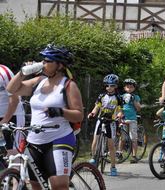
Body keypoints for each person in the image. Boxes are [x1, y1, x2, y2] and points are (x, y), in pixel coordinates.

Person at [6, 44, 84, 190]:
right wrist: (23, 72)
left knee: (58, 185)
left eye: (48, 61)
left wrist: (61, 112)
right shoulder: (38, 82)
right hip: (35, 140)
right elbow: (12, 89)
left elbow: (79, 115)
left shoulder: (68, 85)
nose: (43, 63)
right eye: (43, 60)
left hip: (59, 137)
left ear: (59, 65)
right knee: (36, 185)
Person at [87, 74, 123, 176]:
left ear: (115, 86)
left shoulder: (118, 97)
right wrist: (92, 113)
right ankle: (94, 157)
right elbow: (96, 107)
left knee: (111, 145)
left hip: (110, 122)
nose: (109, 88)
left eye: (111, 85)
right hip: (100, 120)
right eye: (107, 85)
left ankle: (113, 167)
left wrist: (119, 115)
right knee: (95, 140)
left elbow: (120, 110)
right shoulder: (101, 96)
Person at [0, 64, 25, 151]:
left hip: (12, 116)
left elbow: (15, 99)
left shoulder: (3, 71)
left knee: (13, 154)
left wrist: (4, 120)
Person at [121, 78, 141, 164]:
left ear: (134, 88)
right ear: (125, 88)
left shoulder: (136, 97)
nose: (129, 88)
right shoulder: (122, 96)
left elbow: (139, 108)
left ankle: (134, 155)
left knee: (133, 138)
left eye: (131, 87)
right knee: (122, 138)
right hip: (123, 119)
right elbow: (119, 107)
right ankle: (120, 152)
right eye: (127, 87)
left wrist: (134, 101)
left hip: (132, 119)